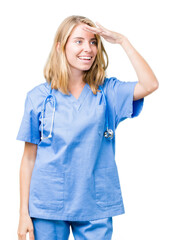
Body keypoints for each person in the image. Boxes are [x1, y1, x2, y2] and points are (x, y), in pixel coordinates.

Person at [16, 15, 159, 240]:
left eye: (93, 42)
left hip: (95, 202)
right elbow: (28, 159)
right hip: (48, 204)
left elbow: (150, 84)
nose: (88, 49)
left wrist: (122, 40)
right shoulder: (38, 98)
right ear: (60, 47)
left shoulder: (109, 93)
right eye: (79, 41)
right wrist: (23, 213)